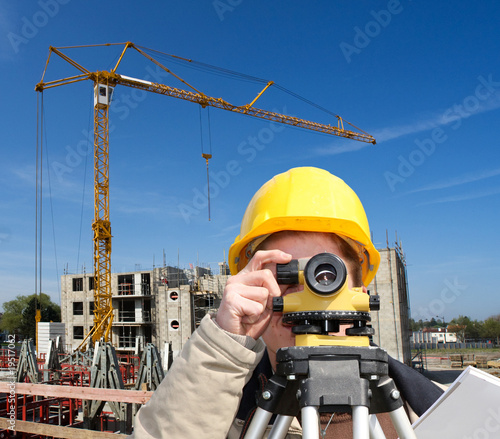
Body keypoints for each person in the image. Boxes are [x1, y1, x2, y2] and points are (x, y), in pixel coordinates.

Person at [130, 167, 443, 438]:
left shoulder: (429, 407)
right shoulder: (227, 409)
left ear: (361, 289)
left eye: (325, 275)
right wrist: (222, 348)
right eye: (284, 275)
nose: (303, 293)